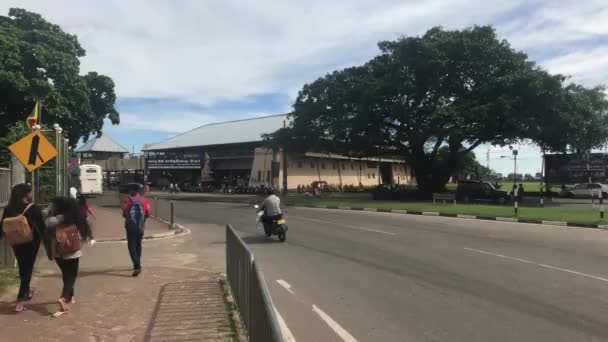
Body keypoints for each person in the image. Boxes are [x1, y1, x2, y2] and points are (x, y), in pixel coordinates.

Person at [0, 183, 46, 312]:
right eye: (30, 192)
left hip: (16, 242)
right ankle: (20, 299)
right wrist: (47, 242)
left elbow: (3, 226)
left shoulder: (9, 208)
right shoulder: (34, 208)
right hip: (31, 242)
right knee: (27, 270)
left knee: (23, 266)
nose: (31, 194)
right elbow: (42, 227)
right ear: (26, 194)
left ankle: (27, 290)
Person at [45, 196, 94, 317]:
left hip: (57, 251)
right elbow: (87, 225)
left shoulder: (55, 218)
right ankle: (63, 297)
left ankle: (70, 296)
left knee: (66, 274)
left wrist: (51, 212)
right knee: (71, 275)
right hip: (72, 250)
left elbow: (46, 223)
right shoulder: (74, 216)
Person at [122, 184, 150, 277]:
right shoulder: (143, 200)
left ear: (130, 192)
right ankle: (138, 263)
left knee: (131, 247)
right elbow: (147, 213)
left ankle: (137, 265)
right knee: (138, 245)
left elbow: (124, 213)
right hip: (140, 226)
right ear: (138, 191)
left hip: (130, 227)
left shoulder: (127, 200)